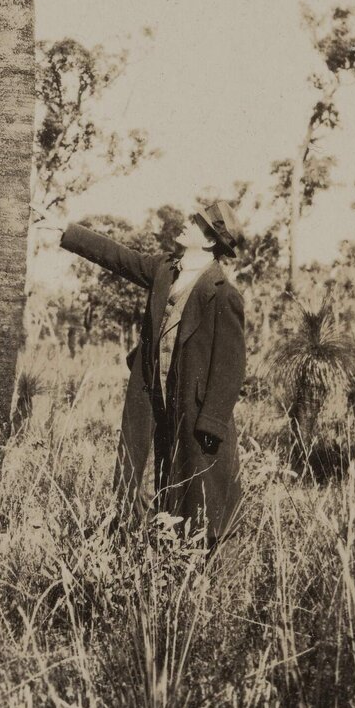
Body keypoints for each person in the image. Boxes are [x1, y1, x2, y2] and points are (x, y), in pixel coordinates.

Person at [60, 200, 247, 546]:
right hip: (151, 405)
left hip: (194, 415)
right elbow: (120, 257)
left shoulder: (223, 295)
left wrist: (212, 422)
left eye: (196, 222)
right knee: (143, 483)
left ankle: (200, 576)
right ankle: (141, 559)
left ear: (208, 242)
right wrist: (67, 232)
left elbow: (231, 366)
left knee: (199, 500)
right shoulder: (165, 271)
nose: (186, 223)